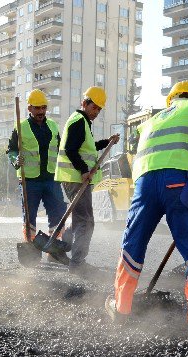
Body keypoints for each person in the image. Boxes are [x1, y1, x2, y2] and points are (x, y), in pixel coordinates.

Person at [104, 81, 188, 342]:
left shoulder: (151, 121)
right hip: (179, 185)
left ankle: (121, 310)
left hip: (144, 185)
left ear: (170, 100)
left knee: (132, 246)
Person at [55, 86, 119, 275]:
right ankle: (77, 263)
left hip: (75, 178)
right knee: (86, 221)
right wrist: (83, 170)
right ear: (84, 103)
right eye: (94, 107)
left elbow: (87, 149)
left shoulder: (83, 123)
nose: (96, 112)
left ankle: (61, 248)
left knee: (80, 219)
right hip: (75, 178)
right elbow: (70, 150)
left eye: (99, 109)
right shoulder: (78, 121)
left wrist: (107, 142)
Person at [7, 89, 68, 265]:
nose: (41, 112)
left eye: (43, 108)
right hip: (30, 181)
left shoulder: (54, 126)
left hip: (51, 178)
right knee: (29, 217)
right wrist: (15, 159)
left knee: (57, 213)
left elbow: (60, 151)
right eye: (37, 108)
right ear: (29, 109)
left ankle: (53, 250)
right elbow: (11, 150)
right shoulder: (21, 127)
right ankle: (31, 250)